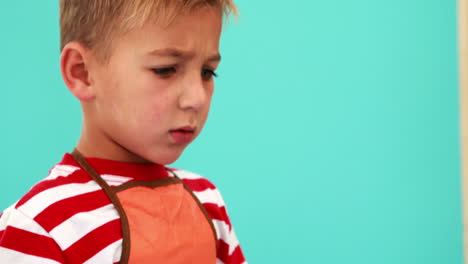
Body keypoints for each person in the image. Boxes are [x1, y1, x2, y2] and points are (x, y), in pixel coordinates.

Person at [0, 0, 246, 263]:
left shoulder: (207, 201)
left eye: (207, 72)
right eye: (165, 70)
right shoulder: (40, 226)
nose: (196, 98)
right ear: (82, 73)